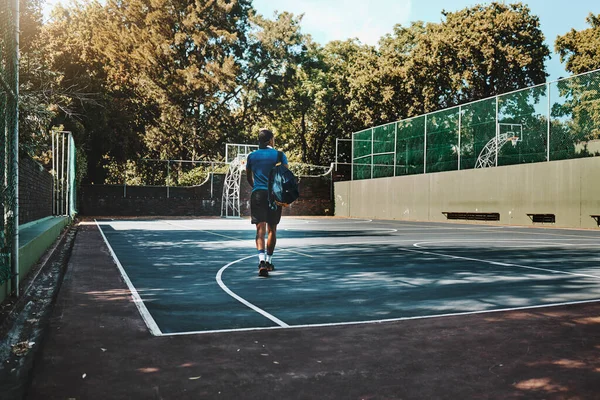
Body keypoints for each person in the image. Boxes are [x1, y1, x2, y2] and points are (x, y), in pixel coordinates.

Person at [246, 128, 288, 277]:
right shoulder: (279, 155)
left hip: (258, 194)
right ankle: (269, 262)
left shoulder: (251, 156)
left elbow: (248, 177)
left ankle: (261, 261)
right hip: (274, 194)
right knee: (272, 229)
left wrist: (257, 188)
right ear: (271, 140)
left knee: (260, 229)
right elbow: (285, 176)